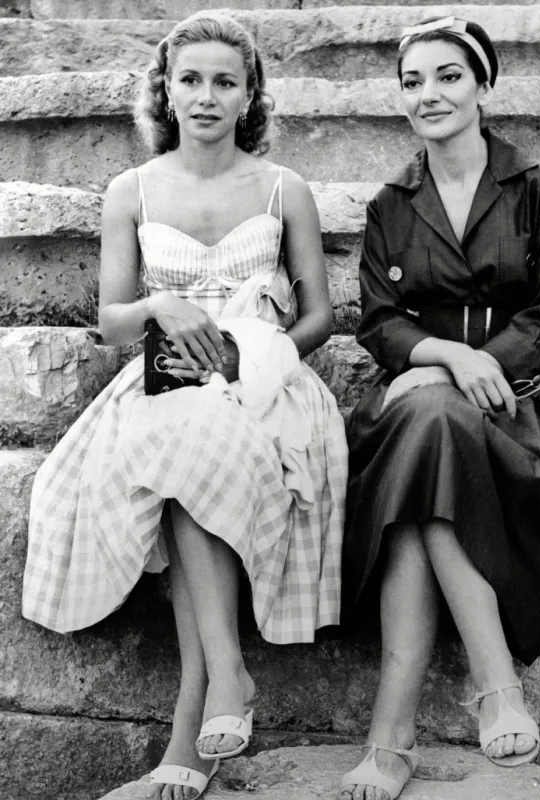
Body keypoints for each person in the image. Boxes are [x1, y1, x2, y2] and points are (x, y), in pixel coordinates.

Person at [22, 12, 348, 800]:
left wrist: (254, 352)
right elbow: (109, 322)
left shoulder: (282, 188)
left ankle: (188, 730)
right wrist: (161, 308)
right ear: (166, 90)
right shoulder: (131, 190)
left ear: (249, 97)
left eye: (224, 82)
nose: (205, 96)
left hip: (265, 383)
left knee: (187, 444)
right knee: (178, 437)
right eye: (190, 79)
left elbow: (319, 318)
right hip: (162, 379)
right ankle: (222, 683)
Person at [339, 16, 540, 800]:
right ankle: (493, 683)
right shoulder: (390, 203)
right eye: (411, 81)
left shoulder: (537, 189)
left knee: (428, 436)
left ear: (482, 85)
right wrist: (447, 357)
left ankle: (391, 734)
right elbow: (379, 322)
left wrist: (485, 368)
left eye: (447, 75)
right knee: (429, 418)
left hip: (523, 406)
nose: (428, 94)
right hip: (423, 391)